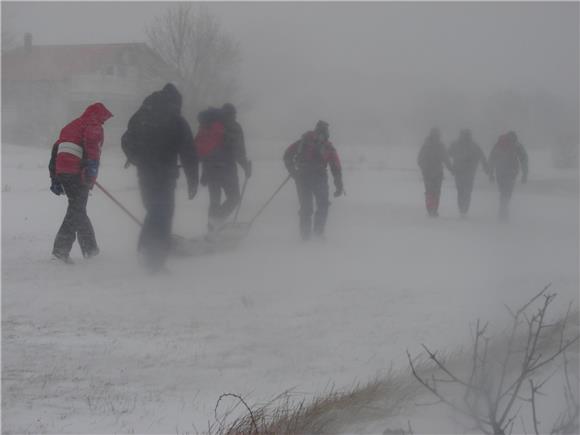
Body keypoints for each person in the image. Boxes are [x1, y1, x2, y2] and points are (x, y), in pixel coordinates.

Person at [121, 83, 198, 272]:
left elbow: (126, 140)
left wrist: (137, 158)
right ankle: (154, 259)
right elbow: (188, 152)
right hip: (165, 173)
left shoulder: (141, 115)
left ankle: (147, 250)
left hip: (146, 174)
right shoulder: (177, 120)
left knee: (154, 211)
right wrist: (192, 180)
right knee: (163, 214)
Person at [49, 102, 113, 263]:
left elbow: (56, 151)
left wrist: (55, 176)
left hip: (63, 170)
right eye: (103, 119)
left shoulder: (73, 125)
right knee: (76, 209)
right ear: (98, 116)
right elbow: (93, 150)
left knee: (78, 208)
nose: (103, 123)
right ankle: (61, 249)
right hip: (75, 172)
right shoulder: (93, 125)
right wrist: (91, 172)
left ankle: (90, 249)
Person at [195, 103, 251, 232]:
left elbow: (205, 149)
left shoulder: (208, 124)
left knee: (214, 200)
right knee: (234, 197)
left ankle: (211, 227)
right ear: (233, 114)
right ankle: (216, 221)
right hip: (227, 168)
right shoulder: (233, 126)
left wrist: (204, 173)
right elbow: (239, 150)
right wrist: (245, 166)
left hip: (210, 168)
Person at [283, 120, 344, 240]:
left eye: (324, 133)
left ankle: (312, 234)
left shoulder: (321, 146)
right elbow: (287, 156)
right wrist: (293, 171)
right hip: (309, 178)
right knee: (314, 206)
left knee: (316, 206)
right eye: (322, 132)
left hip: (311, 178)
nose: (322, 135)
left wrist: (339, 184)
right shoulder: (309, 144)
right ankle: (311, 235)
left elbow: (335, 167)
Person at [448, 129, 489, 217]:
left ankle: (462, 208)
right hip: (469, 173)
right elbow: (482, 157)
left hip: (459, 172)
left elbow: (448, 153)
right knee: (467, 192)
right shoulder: (474, 146)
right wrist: (486, 168)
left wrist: (452, 166)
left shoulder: (456, 144)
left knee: (461, 191)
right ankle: (464, 209)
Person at [488, 131, 528, 220]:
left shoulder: (498, 144)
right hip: (511, 172)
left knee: (503, 192)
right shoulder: (517, 145)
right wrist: (525, 174)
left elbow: (491, 159)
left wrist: (490, 174)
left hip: (499, 172)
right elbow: (524, 159)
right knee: (507, 192)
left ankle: (503, 209)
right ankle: (504, 209)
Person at [417, 127, 454, 217]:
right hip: (434, 173)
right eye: (436, 135)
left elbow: (419, 160)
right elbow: (446, 159)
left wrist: (451, 169)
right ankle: (432, 210)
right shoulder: (433, 146)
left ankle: (432, 209)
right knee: (433, 193)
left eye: (437, 135)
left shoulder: (429, 146)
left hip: (433, 174)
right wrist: (451, 169)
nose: (436, 137)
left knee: (432, 192)